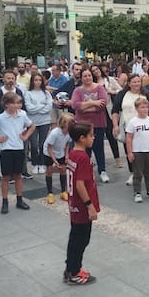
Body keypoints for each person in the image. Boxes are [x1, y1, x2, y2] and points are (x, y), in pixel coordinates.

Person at [0, 92, 34, 214]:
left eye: (19, 103)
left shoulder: (22, 115)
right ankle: (5, 201)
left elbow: (32, 126)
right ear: (6, 104)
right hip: (6, 149)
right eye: (15, 103)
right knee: (5, 177)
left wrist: (26, 136)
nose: (18, 105)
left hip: (19, 149)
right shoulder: (1, 117)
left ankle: (19, 199)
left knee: (18, 175)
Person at [64, 120, 99, 285]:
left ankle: (70, 267)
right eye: (91, 135)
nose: (94, 137)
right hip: (81, 205)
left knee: (75, 237)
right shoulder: (83, 157)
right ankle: (74, 272)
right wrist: (89, 205)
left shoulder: (73, 153)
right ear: (82, 138)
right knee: (81, 239)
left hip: (74, 204)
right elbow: (80, 184)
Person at [111, 74, 149, 185]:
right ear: (129, 83)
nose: (136, 84)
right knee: (130, 151)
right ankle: (133, 173)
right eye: (134, 82)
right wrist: (115, 125)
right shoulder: (122, 94)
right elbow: (115, 111)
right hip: (129, 128)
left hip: (145, 129)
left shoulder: (147, 94)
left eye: (138, 81)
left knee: (148, 152)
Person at [71, 68, 110, 184]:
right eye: (85, 76)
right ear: (81, 78)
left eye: (89, 75)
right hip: (82, 125)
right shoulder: (78, 91)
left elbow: (103, 104)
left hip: (98, 123)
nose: (87, 78)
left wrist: (85, 107)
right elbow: (76, 106)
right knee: (84, 149)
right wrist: (93, 103)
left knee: (99, 148)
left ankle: (102, 171)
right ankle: (86, 171)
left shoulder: (99, 88)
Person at [25, 72, 53, 175]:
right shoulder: (28, 94)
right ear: (32, 81)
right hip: (32, 122)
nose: (38, 82)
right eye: (35, 80)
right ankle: (34, 163)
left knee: (42, 144)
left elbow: (49, 107)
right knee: (34, 144)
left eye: (39, 80)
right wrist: (42, 106)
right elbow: (29, 109)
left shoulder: (46, 93)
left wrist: (38, 107)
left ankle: (42, 163)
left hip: (44, 121)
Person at [43, 113, 73, 204]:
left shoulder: (69, 133)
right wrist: (54, 160)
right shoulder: (55, 133)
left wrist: (67, 154)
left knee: (63, 170)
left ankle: (63, 191)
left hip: (60, 152)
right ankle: (50, 193)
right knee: (49, 170)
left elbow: (68, 143)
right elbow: (49, 147)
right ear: (64, 123)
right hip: (49, 153)